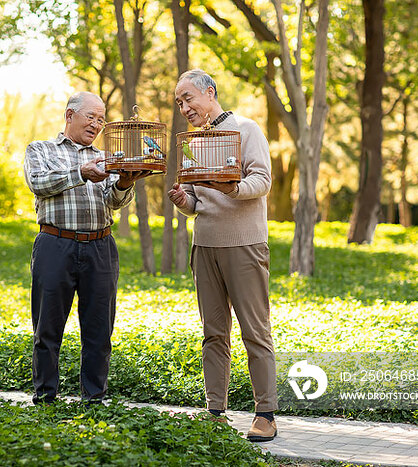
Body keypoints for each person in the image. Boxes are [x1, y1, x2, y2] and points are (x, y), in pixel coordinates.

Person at [168, 69, 278, 442]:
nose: (184, 107)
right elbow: (199, 202)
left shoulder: (247, 129)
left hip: (245, 244)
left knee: (254, 330)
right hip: (206, 247)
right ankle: (215, 410)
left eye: (188, 98)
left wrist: (231, 189)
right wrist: (185, 201)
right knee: (213, 333)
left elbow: (262, 180)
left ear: (210, 92)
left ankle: (266, 413)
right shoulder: (191, 142)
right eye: (179, 102)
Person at [24, 91, 151, 405]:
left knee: (98, 329)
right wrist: (81, 173)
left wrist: (125, 182)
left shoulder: (108, 157)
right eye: (91, 117)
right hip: (55, 244)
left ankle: (94, 399)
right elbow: (39, 182)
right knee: (47, 327)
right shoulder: (41, 150)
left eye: (101, 119)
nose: (97, 124)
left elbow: (115, 201)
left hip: (100, 247)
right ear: (70, 116)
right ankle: (45, 397)